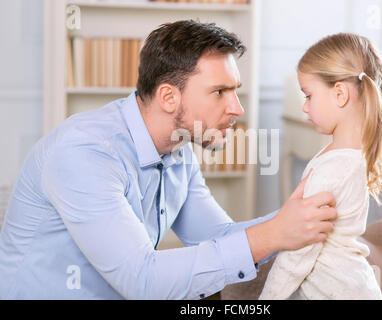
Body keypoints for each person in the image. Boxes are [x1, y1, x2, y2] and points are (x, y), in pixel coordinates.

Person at [0, 20, 337, 299]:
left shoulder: (177, 151)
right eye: (220, 92)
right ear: (168, 97)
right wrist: (273, 234)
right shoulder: (85, 153)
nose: (237, 108)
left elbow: (217, 235)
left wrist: (297, 217)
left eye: (235, 90)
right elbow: (142, 280)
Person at [259, 33, 382, 300]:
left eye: (309, 95)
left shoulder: (333, 170)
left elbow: (299, 251)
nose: (305, 107)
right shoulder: (351, 155)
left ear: (340, 94)